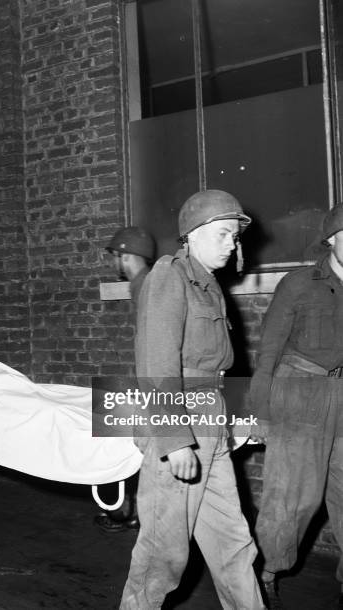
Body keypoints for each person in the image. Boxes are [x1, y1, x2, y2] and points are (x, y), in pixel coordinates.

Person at [120, 190, 265, 609]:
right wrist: (175, 440)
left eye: (235, 238)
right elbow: (157, 362)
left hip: (211, 423)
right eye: (223, 234)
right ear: (194, 234)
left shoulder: (208, 285)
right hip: (181, 422)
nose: (231, 244)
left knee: (233, 544)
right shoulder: (170, 276)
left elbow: (213, 368)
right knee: (163, 555)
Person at [249, 203, 343, 608]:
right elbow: (267, 351)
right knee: (293, 498)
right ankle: (267, 573)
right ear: (332, 239)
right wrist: (258, 410)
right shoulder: (299, 283)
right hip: (298, 394)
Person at [94, 226, 155, 533]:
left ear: (125, 256)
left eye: (115, 256)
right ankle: (133, 511)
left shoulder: (146, 285)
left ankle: (136, 513)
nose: (113, 263)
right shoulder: (141, 284)